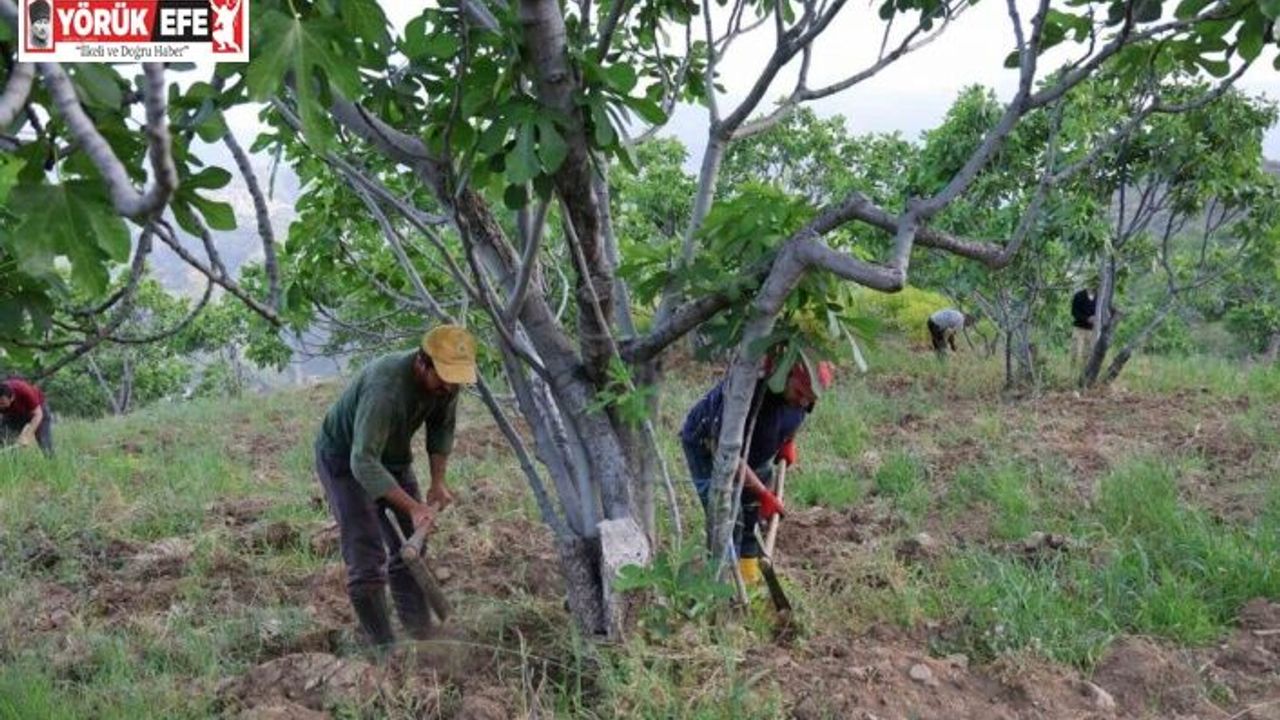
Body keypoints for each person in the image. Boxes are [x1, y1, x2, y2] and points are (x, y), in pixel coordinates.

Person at [314, 325, 477, 647]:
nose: (449, 387)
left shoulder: (447, 385)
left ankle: (420, 633)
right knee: (366, 555)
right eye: (443, 378)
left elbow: (441, 429)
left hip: (391, 456)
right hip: (345, 459)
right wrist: (414, 507)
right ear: (421, 362)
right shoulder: (385, 389)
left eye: (455, 380)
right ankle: (384, 649)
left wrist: (438, 484)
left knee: (411, 550)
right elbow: (363, 462)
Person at [681, 357, 834, 585]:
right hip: (709, 445)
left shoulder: (804, 397)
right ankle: (722, 581)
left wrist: (787, 441)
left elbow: (799, 411)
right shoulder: (750, 394)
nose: (803, 401)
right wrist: (764, 493)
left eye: (809, 398)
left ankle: (748, 574)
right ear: (785, 377)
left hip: (753, 447)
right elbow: (729, 456)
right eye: (799, 392)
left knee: (752, 511)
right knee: (728, 515)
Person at [0, 378, 53, 457]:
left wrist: (27, 436)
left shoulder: (24, 391)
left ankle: (51, 461)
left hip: (37, 410)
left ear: (12, 398)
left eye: (2, 403)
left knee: (44, 441)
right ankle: (12, 464)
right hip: (13, 413)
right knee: (4, 437)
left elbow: (38, 414)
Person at [1071, 288, 1097, 368]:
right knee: (1075, 351)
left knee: (1087, 354)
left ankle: (1084, 373)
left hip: (1092, 330)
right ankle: (1072, 371)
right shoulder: (1079, 295)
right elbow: (1074, 312)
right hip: (1079, 328)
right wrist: (1087, 318)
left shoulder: (1100, 297)